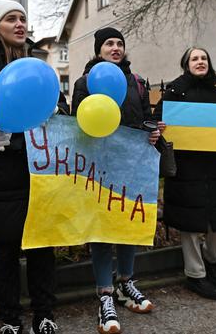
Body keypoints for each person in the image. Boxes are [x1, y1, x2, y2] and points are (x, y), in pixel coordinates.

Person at [0, 0, 68, 334]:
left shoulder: (37, 67)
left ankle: (44, 313)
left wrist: (58, 114)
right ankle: (9, 317)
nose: (20, 24)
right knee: (5, 249)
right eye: (11, 19)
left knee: (42, 245)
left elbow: (59, 106)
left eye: (23, 18)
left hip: (38, 172)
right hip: (0, 174)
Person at [71, 27, 160, 334]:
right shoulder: (85, 82)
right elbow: (75, 123)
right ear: (98, 50)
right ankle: (105, 294)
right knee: (100, 228)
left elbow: (145, 118)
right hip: (98, 165)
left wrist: (153, 132)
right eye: (109, 43)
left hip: (131, 164)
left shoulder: (136, 82)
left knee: (128, 224)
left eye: (119, 43)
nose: (115, 47)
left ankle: (126, 283)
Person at [152, 47, 216, 301]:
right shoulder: (174, 92)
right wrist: (160, 127)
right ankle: (195, 275)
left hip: (215, 167)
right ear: (186, 64)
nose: (200, 62)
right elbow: (157, 124)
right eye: (195, 58)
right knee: (190, 224)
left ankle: (211, 261)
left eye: (204, 58)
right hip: (187, 167)